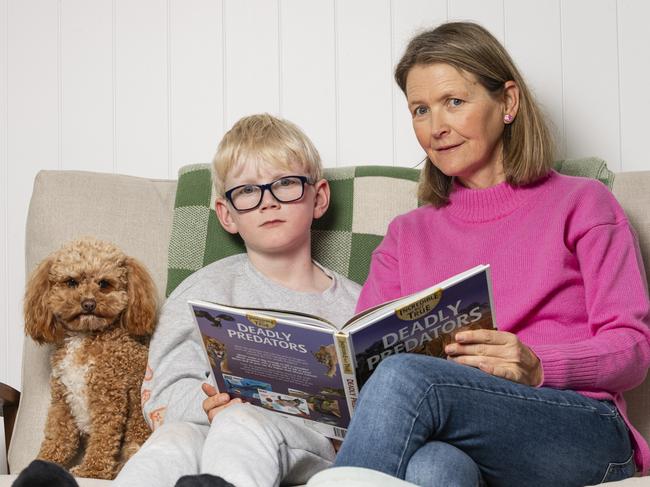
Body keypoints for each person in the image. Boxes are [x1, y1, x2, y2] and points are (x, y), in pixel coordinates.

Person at [333, 22, 650, 487]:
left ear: (507, 102)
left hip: (580, 426)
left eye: (454, 102)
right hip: (460, 434)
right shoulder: (405, 235)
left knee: (405, 377)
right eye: (420, 110)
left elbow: (634, 348)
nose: (436, 127)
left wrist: (538, 362)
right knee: (434, 468)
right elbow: (361, 368)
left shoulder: (583, 204)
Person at [114, 113, 361, 487]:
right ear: (226, 214)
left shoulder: (358, 303)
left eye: (286, 184)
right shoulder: (203, 291)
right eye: (247, 191)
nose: (268, 202)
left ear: (319, 197)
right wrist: (207, 406)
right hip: (213, 428)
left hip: (315, 452)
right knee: (174, 438)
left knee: (240, 420)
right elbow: (162, 398)